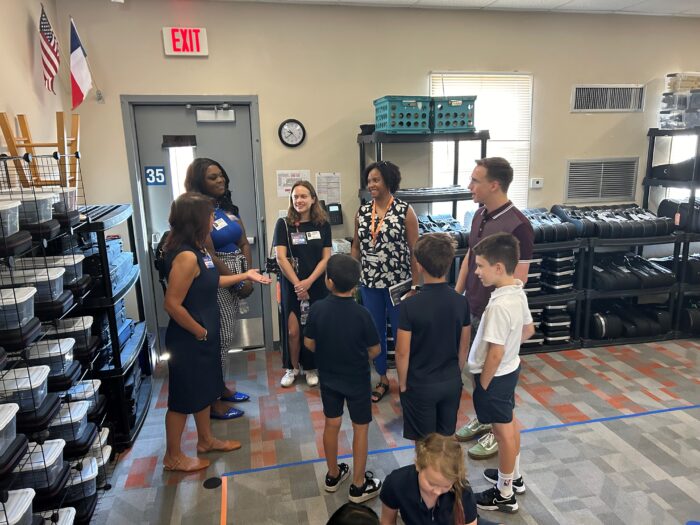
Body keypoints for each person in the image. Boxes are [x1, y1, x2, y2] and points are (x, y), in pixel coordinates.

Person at [161, 193, 271, 472]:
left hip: (205, 332)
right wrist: (199, 331)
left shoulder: (199, 249)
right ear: (196, 219)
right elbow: (172, 305)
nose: (214, 219)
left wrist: (246, 275)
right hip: (190, 337)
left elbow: (214, 280)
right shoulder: (185, 256)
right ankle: (172, 457)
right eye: (210, 216)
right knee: (183, 398)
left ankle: (205, 440)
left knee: (205, 389)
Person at [454, 157, 534, 461]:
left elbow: (519, 280)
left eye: (475, 181)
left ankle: (496, 431)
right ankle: (484, 417)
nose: (469, 186)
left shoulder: (519, 226)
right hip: (473, 308)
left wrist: (498, 315)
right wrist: (456, 296)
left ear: (494, 184)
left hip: (496, 316)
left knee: (497, 376)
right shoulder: (478, 215)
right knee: (476, 371)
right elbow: (468, 259)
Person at [304, 254, 383, 503]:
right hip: (358, 379)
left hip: (329, 378)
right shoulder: (363, 314)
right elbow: (376, 350)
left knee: (332, 424)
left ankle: (332, 474)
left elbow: (309, 343)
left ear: (328, 281)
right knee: (360, 429)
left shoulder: (317, 308)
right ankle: (358, 486)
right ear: (356, 284)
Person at [468, 233, 534, 514]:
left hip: (494, 377)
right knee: (510, 424)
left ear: (498, 268)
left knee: (502, 431)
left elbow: (494, 353)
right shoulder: (517, 291)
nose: (476, 271)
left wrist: (483, 384)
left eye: (481, 265)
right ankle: (513, 476)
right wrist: (508, 354)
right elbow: (528, 331)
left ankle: (504, 493)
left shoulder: (497, 306)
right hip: (511, 369)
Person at [185, 157, 254, 420]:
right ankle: (212, 402)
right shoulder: (197, 212)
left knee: (226, 337)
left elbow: (243, 241)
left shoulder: (223, 208)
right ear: (198, 182)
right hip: (215, 281)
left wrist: (246, 274)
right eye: (212, 177)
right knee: (219, 341)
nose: (220, 180)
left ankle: (221, 388)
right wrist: (238, 280)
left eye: (221, 175)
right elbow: (209, 255)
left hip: (236, 275)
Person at [351, 160, 419, 403]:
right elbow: (356, 248)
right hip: (369, 284)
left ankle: (405, 381)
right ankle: (382, 379)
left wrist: (415, 286)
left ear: (389, 181)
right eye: (369, 180)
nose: (372, 185)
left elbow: (415, 251)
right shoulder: (362, 212)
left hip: (399, 284)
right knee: (375, 333)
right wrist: (350, 278)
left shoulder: (405, 211)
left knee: (403, 332)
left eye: (376, 180)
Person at [396, 233, 470, 441]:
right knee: (446, 439)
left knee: (424, 445)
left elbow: (402, 352)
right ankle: (446, 474)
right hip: (451, 382)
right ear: (449, 263)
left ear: (419, 266)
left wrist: (402, 384)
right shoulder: (460, 302)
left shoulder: (409, 306)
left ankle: (426, 475)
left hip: (420, 385)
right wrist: (455, 373)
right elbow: (464, 346)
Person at [274, 180, 332, 387]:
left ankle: (311, 367)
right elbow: (280, 258)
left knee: (312, 328)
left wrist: (308, 282)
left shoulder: (323, 224)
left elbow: (326, 258)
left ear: (313, 199)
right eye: (295, 197)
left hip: (315, 284)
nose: (299, 200)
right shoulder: (283, 224)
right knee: (293, 331)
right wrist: (299, 284)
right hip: (292, 285)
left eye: (303, 196)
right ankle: (292, 368)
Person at [379, 433, 481, 525]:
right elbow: (387, 521)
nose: (436, 492)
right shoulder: (396, 483)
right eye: (431, 483)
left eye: (446, 486)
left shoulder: (464, 492)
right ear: (418, 465)